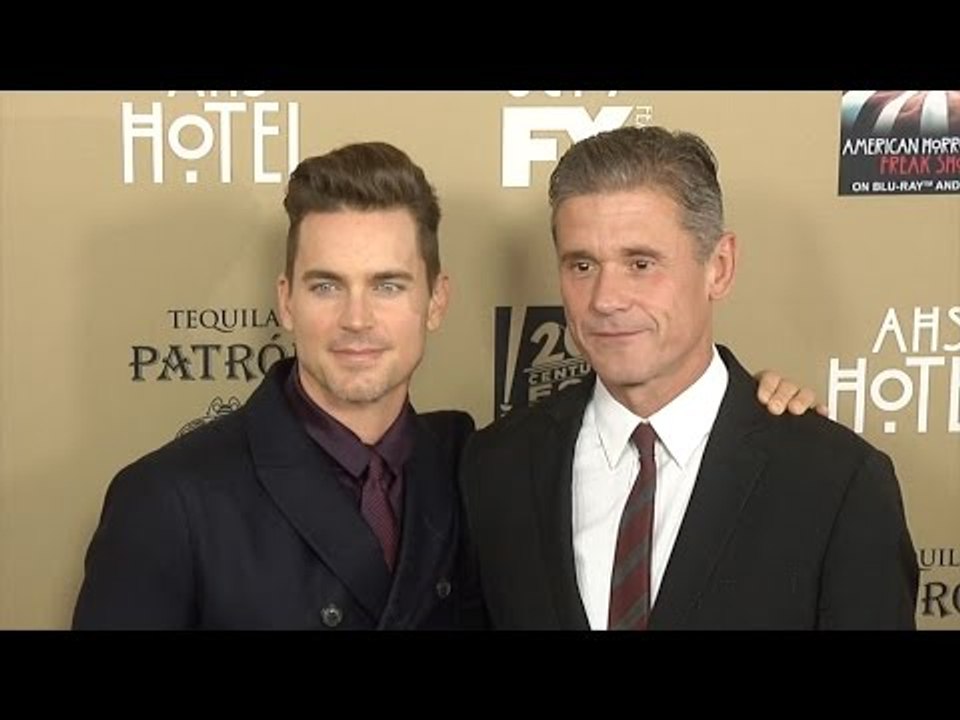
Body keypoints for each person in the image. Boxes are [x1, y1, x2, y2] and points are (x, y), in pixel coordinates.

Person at [73, 140, 820, 630]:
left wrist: (749, 416)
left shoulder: (477, 465)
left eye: (390, 285)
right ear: (285, 301)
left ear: (436, 301)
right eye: (328, 285)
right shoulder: (166, 500)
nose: (357, 320)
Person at [460, 126, 919, 630]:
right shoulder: (496, 467)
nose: (606, 299)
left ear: (719, 267)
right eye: (583, 264)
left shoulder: (836, 481)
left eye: (640, 263)